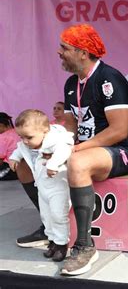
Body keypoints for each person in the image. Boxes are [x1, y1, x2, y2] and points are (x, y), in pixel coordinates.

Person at [52, 23, 128, 275]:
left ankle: (84, 245)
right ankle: (53, 229)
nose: (59, 52)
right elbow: (69, 126)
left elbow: (119, 130)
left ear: (82, 52)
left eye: (64, 48)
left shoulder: (109, 78)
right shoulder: (71, 83)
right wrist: (54, 146)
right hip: (88, 149)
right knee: (28, 160)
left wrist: (78, 149)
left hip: (120, 151)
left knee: (77, 163)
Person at [9, 109, 74, 262]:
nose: (25, 141)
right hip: (42, 187)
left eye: (29, 137)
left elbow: (64, 150)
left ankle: (61, 244)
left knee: (58, 215)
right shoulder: (28, 144)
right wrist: (14, 158)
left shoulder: (55, 141)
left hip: (58, 187)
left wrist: (53, 163)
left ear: (45, 131)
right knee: (46, 216)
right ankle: (52, 241)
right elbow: (20, 149)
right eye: (21, 137)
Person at [0, 112, 20, 181]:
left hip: (11, 168)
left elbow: (0, 159)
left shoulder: (2, 137)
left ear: (1, 125)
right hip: (23, 167)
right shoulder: (18, 132)